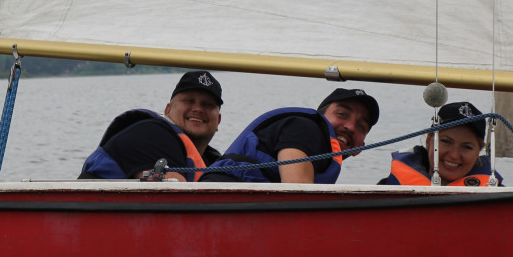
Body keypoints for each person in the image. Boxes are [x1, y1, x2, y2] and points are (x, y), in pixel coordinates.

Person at [200, 87, 379, 184]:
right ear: (321, 118)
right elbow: (297, 195)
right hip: (219, 205)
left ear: (360, 148)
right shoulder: (307, 127)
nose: (350, 126)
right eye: (342, 114)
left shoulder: (322, 158)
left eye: (360, 126)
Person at [78, 70, 224, 181]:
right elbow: (172, 195)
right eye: (189, 101)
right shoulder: (151, 135)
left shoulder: (214, 163)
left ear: (218, 121)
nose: (198, 109)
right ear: (167, 111)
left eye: (208, 105)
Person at [378, 101, 503, 187]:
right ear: (428, 141)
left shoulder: (500, 200)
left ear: (478, 152)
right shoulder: (385, 191)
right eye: (446, 142)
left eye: (467, 147)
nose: (454, 155)